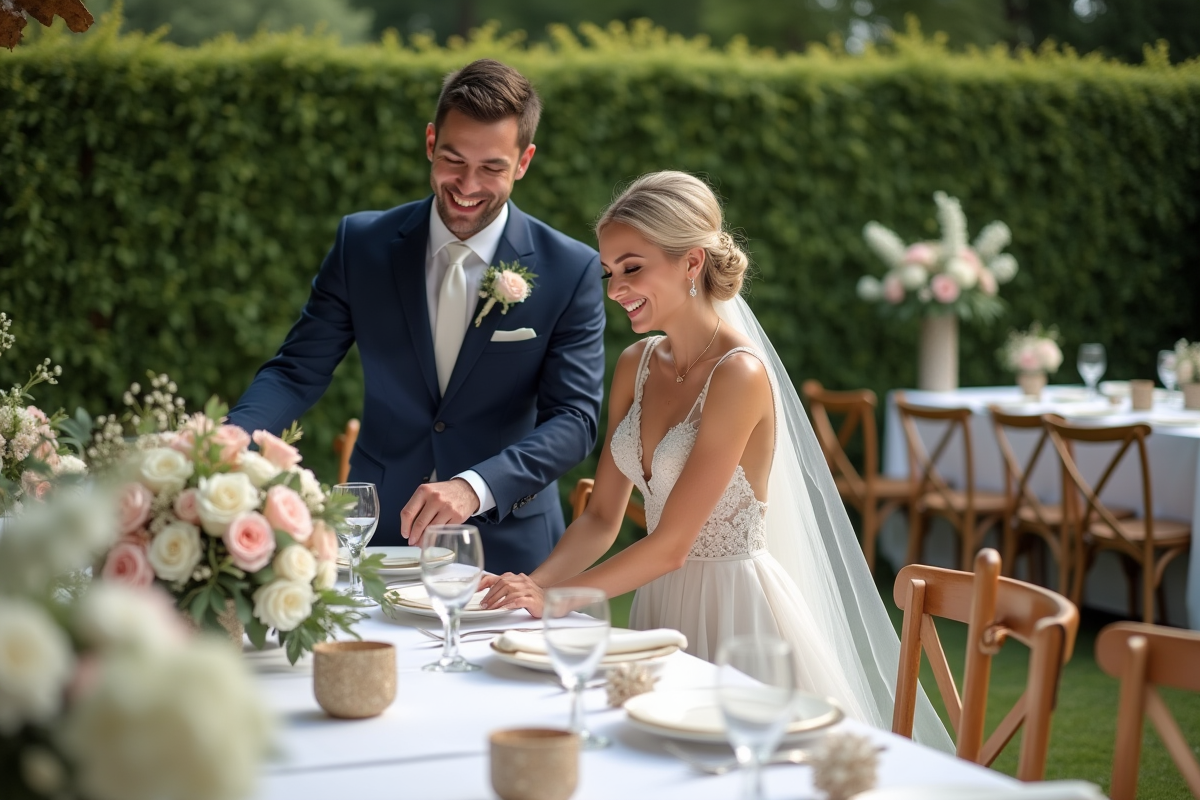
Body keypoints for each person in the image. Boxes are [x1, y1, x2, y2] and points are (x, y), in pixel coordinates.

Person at [480, 171, 952, 750]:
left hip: (737, 616)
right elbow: (602, 517)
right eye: (610, 272)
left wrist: (559, 601)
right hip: (657, 603)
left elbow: (675, 542)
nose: (615, 288)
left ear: (691, 262)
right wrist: (531, 586)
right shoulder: (635, 363)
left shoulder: (740, 375)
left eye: (632, 267)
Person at [228, 60, 606, 575]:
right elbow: (297, 370)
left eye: (492, 167)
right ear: (430, 143)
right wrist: (230, 440)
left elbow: (574, 419)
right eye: (453, 159)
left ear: (524, 161)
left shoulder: (571, 268)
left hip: (509, 551)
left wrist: (476, 487)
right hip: (374, 535)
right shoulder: (361, 246)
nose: (467, 185)